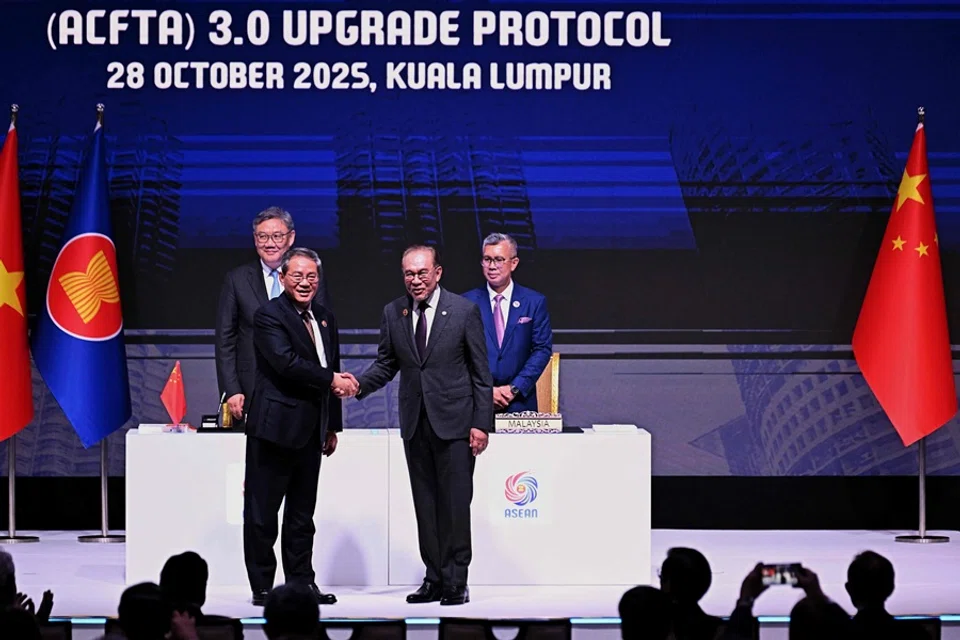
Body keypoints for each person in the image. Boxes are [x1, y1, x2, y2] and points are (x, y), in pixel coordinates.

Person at [338, 245, 493, 606]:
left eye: (422, 272)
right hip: (415, 424)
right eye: (409, 273)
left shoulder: (463, 311)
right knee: (425, 504)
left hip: (456, 425)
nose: (416, 280)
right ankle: (434, 578)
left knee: (455, 505)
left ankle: (456, 581)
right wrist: (358, 385)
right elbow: (386, 363)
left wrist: (481, 424)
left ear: (438, 272)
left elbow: (480, 374)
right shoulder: (394, 312)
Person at [242, 247, 354, 607]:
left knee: (302, 516)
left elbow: (329, 366)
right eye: (298, 276)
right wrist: (332, 379)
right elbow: (286, 363)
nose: (305, 283)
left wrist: (332, 425)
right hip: (274, 429)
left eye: (312, 276)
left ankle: (302, 584)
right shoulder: (268, 316)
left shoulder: (324, 317)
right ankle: (262, 586)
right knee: (262, 514)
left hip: (311, 431)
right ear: (282, 277)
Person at [215, 207, 331, 424]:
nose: (270, 243)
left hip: (303, 388)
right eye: (262, 236)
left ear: (291, 238)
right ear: (255, 239)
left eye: (277, 236)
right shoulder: (237, 280)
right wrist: (232, 389)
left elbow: (322, 336)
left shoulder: (310, 278)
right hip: (251, 390)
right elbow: (225, 340)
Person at [462, 233, 552, 413]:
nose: (492, 266)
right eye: (487, 259)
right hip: (476, 402)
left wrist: (514, 388)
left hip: (519, 402)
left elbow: (542, 349)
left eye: (499, 260)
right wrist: (486, 391)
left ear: (514, 263)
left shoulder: (534, 302)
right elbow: (458, 353)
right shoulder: (465, 303)